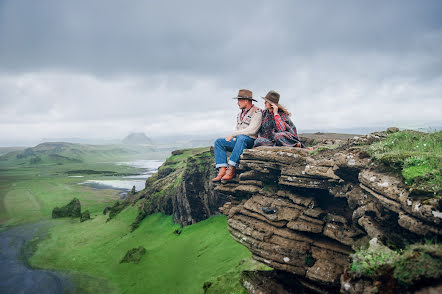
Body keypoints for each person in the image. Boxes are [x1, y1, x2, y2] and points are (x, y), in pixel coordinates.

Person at [211, 89, 262, 182]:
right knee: (219, 142)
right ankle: (222, 170)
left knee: (241, 138)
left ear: (246, 100)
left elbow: (253, 130)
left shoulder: (257, 112)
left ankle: (231, 168)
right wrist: (235, 137)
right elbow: (238, 129)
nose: (237, 103)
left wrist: (234, 135)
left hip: (250, 141)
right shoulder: (239, 114)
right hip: (239, 141)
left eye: (239, 100)